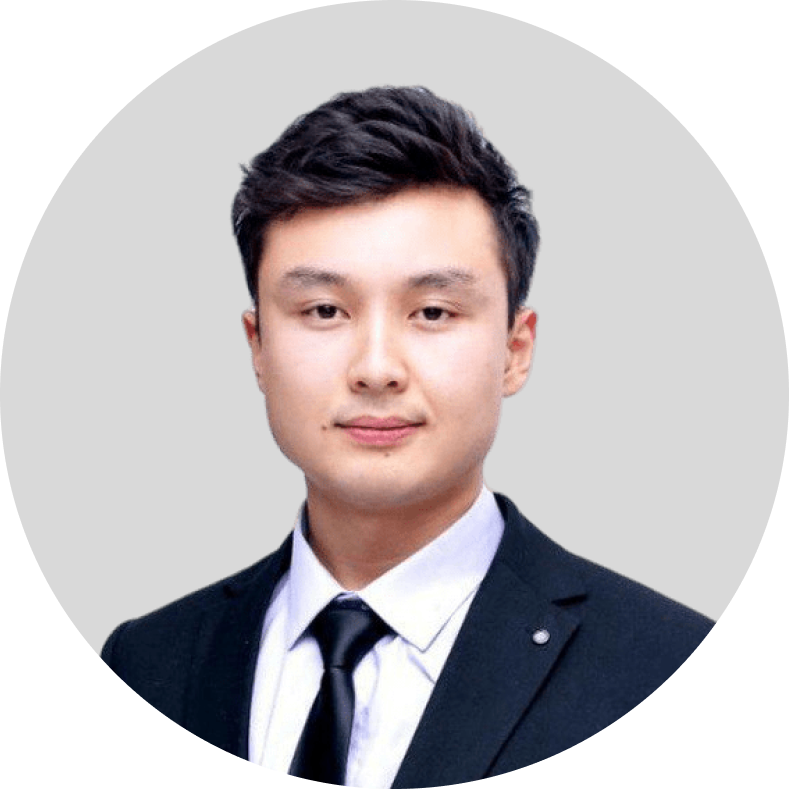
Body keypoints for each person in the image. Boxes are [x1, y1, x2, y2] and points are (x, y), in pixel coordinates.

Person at [101, 86, 714, 786]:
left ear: (515, 349)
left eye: (432, 312)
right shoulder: (148, 661)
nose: (375, 368)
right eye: (324, 310)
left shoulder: (660, 662)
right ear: (258, 347)